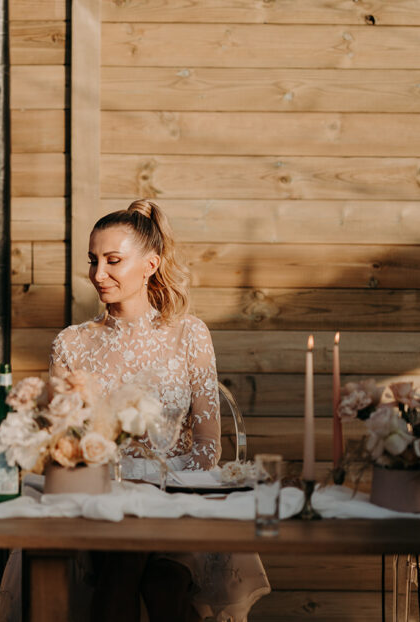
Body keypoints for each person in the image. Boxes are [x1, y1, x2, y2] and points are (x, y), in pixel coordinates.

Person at [49, 200, 269, 622]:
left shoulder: (190, 334)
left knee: (160, 579)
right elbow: (64, 444)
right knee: (128, 562)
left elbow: (208, 447)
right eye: (93, 260)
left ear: (150, 265)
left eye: (113, 261)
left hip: (178, 499)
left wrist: (157, 490)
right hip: (102, 503)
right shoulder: (71, 343)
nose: (98, 274)